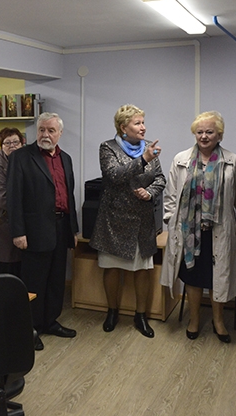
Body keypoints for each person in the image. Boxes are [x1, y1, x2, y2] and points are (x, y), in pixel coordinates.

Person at [161, 111, 236, 343]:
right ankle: (194, 319)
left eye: (209, 132)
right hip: (189, 232)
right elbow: (170, 195)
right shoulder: (181, 159)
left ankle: (218, 321)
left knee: (217, 277)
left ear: (219, 135)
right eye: (199, 132)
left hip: (218, 229)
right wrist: (171, 218)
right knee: (192, 276)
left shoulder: (231, 160)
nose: (204, 136)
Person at [89, 104, 165, 337]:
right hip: (114, 219)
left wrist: (150, 192)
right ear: (123, 127)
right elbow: (114, 175)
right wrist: (143, 159)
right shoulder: (108, 148)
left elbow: (160, 179)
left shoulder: (149, 147)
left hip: (142, 220)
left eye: (143, 122)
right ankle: (112, 311)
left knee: (142, 269)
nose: (143, 127)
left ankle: (140, 316)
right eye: (137, 123)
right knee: (111, 268)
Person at [7, 112, 79, 351]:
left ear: (60, 133)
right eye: (41, 130)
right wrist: (18, 232)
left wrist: (73, 230)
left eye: (51, 130)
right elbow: (14, 197)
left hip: (61, 227)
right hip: (34, 230)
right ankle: (30, 328)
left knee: (56, 280)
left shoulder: (65, 158)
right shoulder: (21, 157)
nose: (45, 135)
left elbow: (69, 195)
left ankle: (50, 321)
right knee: (34, 283)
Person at [0, 127, 25, 276]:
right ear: (1, 146)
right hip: (3, 222)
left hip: (21, 222)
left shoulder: (26, 161)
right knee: (4, 265)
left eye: (16, 142)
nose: (12, 146)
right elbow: (2, 199)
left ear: (22, 144)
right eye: (7, 143)